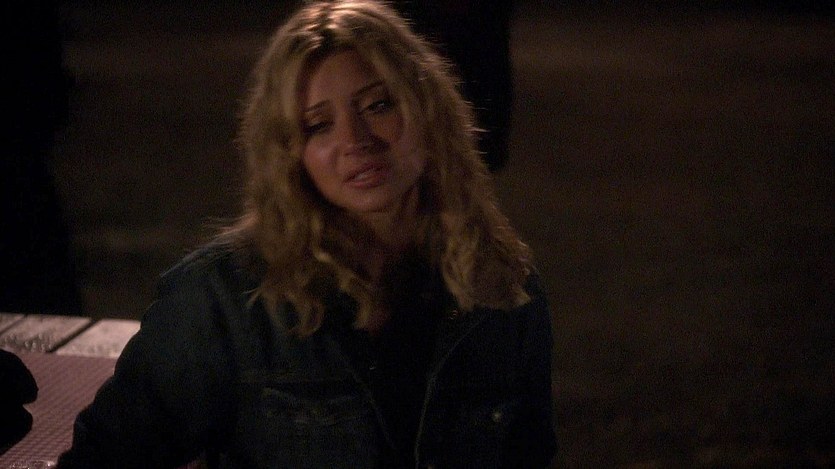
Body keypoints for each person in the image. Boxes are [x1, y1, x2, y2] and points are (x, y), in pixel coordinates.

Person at [57, 1, 555, 467]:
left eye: (378, 105)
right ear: (290, 153)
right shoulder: (223, 300)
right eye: (318, 125)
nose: (355, 141)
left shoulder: (501, 288)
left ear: (428, 109)